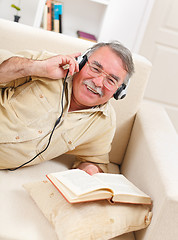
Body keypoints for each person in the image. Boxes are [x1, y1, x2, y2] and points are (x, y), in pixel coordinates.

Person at [0, 41, 134, 174]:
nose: (98, 82)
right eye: (95, 68)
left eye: (111, 80)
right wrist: (38, 68)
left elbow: (95, 161)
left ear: (118, 92)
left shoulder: (104, 121)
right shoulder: (48, 63)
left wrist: (89, 171)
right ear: (81, 62)